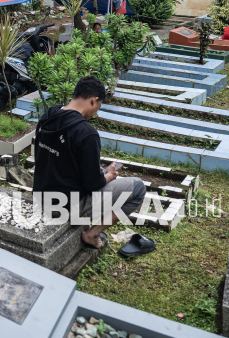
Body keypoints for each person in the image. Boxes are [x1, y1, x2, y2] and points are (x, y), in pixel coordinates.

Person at [32, 76, 146, 251]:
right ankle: (92, 233)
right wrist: (108, 176)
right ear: (94, 100)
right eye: (98, 106)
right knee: (138, 188)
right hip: (65, 206)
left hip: (40, 197)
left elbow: (53, 159)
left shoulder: (48, 116)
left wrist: (90, 169)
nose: (96, 111)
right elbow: (93, 184)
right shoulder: (86, 133)